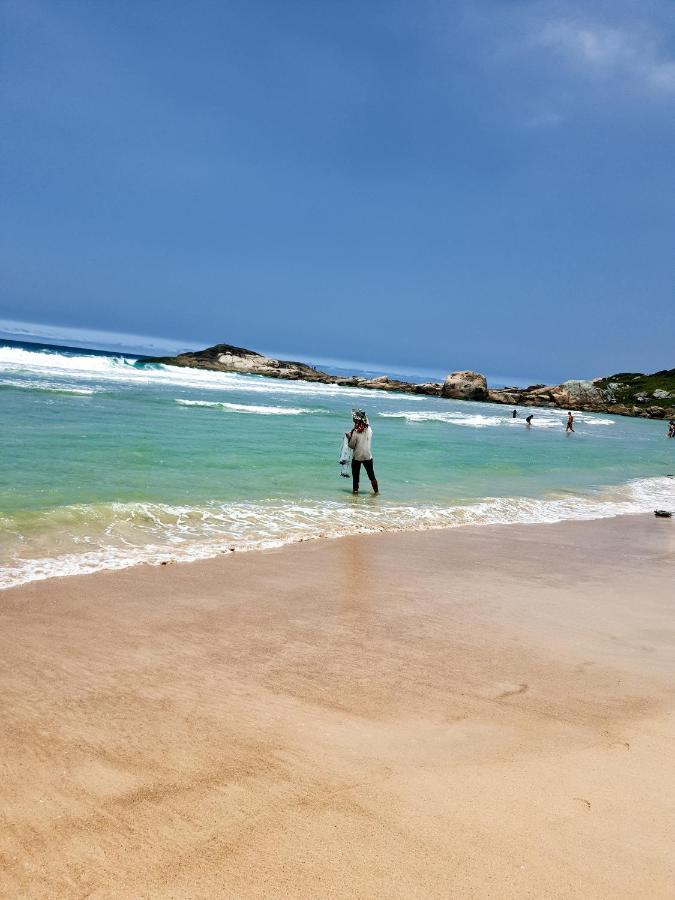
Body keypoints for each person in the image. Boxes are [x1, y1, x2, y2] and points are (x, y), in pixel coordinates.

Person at [347, 409, 378, 494]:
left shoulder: (356, 432)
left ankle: (355, 493)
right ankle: (376, 492)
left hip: (357, 456)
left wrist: (349, 437)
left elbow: (351, 445)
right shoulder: (369, 430)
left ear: (356, 420)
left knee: (356, 478)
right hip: (368, 456)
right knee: (372, 476)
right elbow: (366, 423)